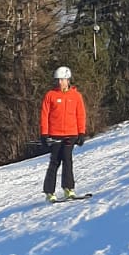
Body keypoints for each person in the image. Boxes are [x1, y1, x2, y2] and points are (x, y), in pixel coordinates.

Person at [40, 66, 87, 201]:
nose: (60, 82)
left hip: (71, 134)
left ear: (68, 80)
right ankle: (49, 192)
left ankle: (68, 188)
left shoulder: (76, 96)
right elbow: (44, 115)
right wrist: (44, 133)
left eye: (62, 80)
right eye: (58, 80)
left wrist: (81, 132)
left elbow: (80, 115)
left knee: (67, 160)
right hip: (55, 134)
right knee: (55, 161)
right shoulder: (50, 95)